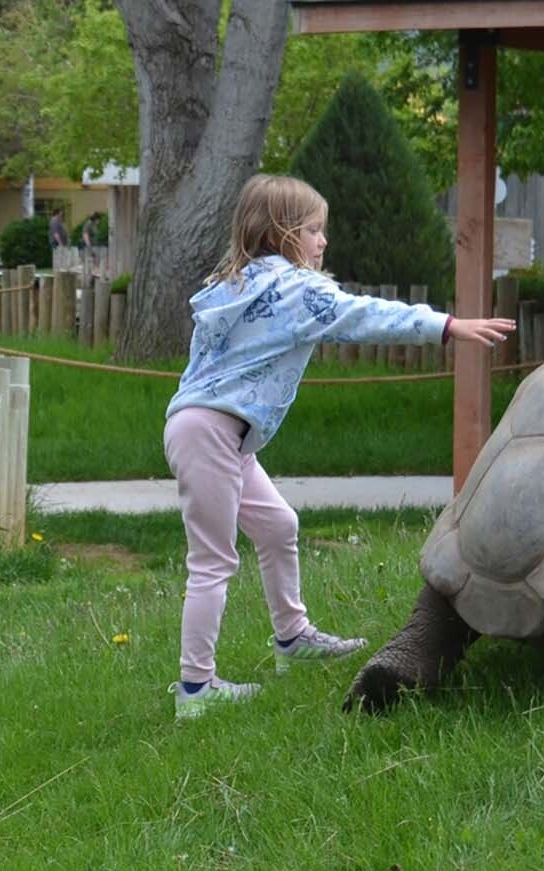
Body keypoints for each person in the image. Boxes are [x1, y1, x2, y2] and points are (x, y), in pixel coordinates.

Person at [163, 173, 516, 719]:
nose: (322, 241)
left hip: (212, 431)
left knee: (279, 527)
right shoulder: (296, 290)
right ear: (282, 232)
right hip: (212, 432)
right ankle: (195, 690)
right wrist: (446, 325)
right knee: (212, 560)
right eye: (313, 230)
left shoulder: (231, 283)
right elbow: (365, 314)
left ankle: (293, 638)